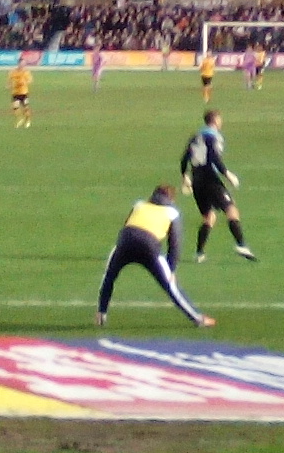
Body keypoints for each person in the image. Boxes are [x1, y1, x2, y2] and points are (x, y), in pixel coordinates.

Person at [96, 185, 213, 329]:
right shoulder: (172, 212)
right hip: (149, 246)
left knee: (109, 277)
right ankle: (198, 318)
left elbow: (127, 225)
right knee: (171, 287)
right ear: (171, 199)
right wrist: (171, 269)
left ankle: (101, 314)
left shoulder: (139, 205)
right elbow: (175, 243)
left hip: (124, 243)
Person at [179, 110, 254, 262]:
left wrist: (185, 176)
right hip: (210, 179)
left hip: (197, 180)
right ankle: (241, 245)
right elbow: (213, 157)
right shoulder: (213, 136)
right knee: (231, 210)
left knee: (209, 217)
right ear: (215, 121)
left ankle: (199, 253)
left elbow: (184, 158)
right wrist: (228, 174)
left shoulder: (196, 136)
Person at [8, 62, 34, 129]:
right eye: (21, 64)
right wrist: (9, 85)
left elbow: (30, 80)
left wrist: (24, 83)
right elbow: (10, 80)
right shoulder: (13, 72)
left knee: (26, 108)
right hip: (15, 93)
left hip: (24, 93)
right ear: (19, 64)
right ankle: (20, 119)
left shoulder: (26, 72)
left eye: (23, 64)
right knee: (15, 107)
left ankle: (28, 120)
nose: (22, 65)